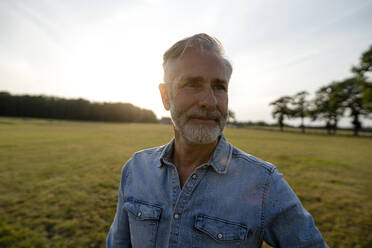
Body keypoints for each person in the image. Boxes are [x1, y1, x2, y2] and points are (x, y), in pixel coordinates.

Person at [106, 33, 328, 248]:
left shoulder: (263, 183)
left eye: (219, 87)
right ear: (166, 96)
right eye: (192, 84)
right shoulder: (136, 169)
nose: (209, 101)